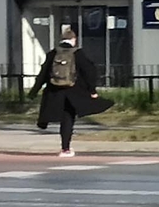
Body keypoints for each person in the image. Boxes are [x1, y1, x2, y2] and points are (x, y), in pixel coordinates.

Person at [35, 29, 111, 157]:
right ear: (74, 39)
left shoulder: (53, 53)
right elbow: (89, 71)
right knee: (67, 119)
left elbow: (43, 74)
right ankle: (65, 149)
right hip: (73, 92)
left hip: (55, 91)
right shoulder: (78, 53)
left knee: (52, 113)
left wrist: (34, 90)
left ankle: (43, 122)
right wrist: (92, 90)